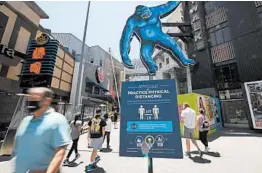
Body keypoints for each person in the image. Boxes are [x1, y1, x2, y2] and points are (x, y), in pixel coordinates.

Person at [13, 87, 71, 173]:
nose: (30, 100)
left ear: (47, 100)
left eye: (35, 98)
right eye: (29, 97)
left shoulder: (57, 120)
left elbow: (60, 152)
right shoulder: (26, 120)